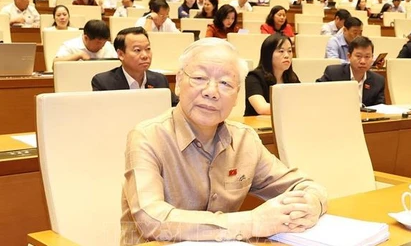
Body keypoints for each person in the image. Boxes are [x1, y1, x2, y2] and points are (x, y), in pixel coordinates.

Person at [121, 37, 327, 245]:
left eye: (225, 83)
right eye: (200, 78)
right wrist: (251, 222)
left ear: (237, 95)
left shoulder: (245, 140)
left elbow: (304, 185)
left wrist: (312, 204)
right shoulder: (147, 137)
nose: (211, 92)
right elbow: (150, 218)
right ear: (178, 82)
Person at [91, 27, 178, 105]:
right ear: (121, 54)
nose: (145, 55)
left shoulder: (160, 80)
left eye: (148, 49)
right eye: (137, 50)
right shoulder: (104, 83)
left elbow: (174, 108)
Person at [317, 36, 385, 107]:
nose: (363, 61)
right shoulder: (333, 74)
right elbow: (317, 95)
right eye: (358, 56)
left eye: (367, 57)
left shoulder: (378, 81)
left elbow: (380, 108)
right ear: (349, 56)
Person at [245, 34, 299, 116]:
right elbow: (261, 108)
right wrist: (294, 108)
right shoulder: (253, 77)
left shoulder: (292, 78)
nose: (287, 56)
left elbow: (302, 100)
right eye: (281, 51)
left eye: (289, 51)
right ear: (268, 54)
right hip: (257, 126)